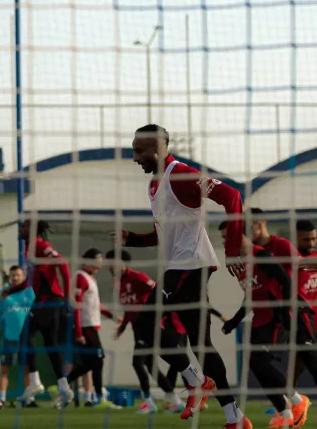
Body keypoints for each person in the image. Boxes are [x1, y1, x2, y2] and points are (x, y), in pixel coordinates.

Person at [113, 124, 251, 428]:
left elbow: (232, 197)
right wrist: (133, 239)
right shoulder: (155, 184)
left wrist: (232, 247)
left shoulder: (182, 174)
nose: (135, 157)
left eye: (140, 150)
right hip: (180, 265)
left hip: (190, 265)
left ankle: (195, 380)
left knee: (146, 325)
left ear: (159, 148)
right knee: (203, 344)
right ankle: (235, 417)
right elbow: (166, 232)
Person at [222, 209, 317, 428]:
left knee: (314, 362)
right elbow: (254, 292)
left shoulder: (278, 247)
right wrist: (234, 320)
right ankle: (291, 406)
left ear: (256, 225)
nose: (226, 240)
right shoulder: (244, 259)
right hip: (275, 314)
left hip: (293, 312)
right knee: (269, 364)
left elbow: (294, 274)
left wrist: (293, 308)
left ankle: (297, 407)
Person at [105, 249, 185, 414]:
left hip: (148, 326)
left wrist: (158, 317)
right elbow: (129, 308)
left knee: (137, 362)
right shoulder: (118, 283)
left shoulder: (138, 277)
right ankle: (175, 401)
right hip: (138, 328)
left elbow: (159, 292)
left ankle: (149, 402)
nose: (111, 267)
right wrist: (123, 326)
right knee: (151, 366)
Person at [13, 218, 72, 406]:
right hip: (47, 299)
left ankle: (35, 382)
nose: (21, 229)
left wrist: (68, 296)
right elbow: (34, 277)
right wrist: (15, 288)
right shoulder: (30, 248)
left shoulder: (39, 244)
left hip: (48, 299)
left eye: (24, 227)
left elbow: (62, 263)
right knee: (51, 344)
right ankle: (64, 387)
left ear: (32, 230)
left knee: (24, 336)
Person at [63, 248, 110, 408]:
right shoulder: (81, 278)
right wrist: (79, 332)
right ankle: (98, 398)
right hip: (85, 326)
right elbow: (76, 306)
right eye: (96, 264)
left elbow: (95, 304)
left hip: (92, 326)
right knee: (97, 361)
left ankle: (64, 383)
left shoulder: (90, 278)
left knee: (93, 363)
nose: (99, 267)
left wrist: (112, 316)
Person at [293, 218, 317, 426]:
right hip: (303, 324)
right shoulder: (292, 261)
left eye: (314, 238)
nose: (311, 243)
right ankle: (290, 406)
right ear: (297, 238)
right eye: (307, 239)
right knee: (295, 369)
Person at [0, 265, 34, 406]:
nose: (15, 278)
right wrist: (6, 329)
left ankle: (29, 399)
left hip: (26, 338)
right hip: (9, 338)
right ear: (9, 277)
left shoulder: (30, 293)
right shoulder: (3, 294)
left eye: (18, 275)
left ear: (23, 276)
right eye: (13, 275)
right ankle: (2, 399)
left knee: (27, 368)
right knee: (5, 368)